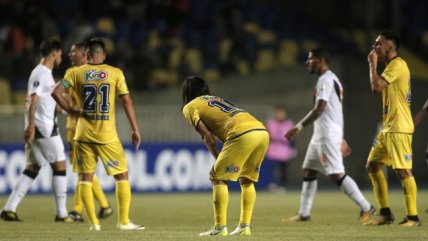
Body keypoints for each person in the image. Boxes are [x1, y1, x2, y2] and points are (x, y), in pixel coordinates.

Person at [51, 38, 143, 231]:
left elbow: (56, 92)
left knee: (85, 178)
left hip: (82, 133)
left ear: (87, 55)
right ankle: (124, 222)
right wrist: (135, 129)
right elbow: (127, 102)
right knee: (121, 176)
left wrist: (71, 111)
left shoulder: (76, 73)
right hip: (107, 136)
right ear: (104, 55)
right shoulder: (115, 73)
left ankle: (94, 224)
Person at [283, 47, 374, 223]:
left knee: (336, 174)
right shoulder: (331, 79)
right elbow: (336, 111)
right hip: (321, 134)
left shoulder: (325, 80)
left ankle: (367, 208)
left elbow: (320, 108)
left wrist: (298, 127)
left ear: (321, 60)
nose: (307, 62)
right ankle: (304, 213)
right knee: (309, 171)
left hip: (326, 135)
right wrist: (341, 136)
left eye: (310, 59)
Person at [181, 76, 269, 236]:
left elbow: (207, 137)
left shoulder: (190, 107)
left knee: (217, 177)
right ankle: (244, 227)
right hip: (261, 131)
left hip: (242, 133)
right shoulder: (215, 98)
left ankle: (220, 227)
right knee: (246, 180)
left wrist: (217, 159)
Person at [0, 38, 73, 222]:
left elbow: (45, 103)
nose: (61, 57)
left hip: (40, 125)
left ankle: (9, 209)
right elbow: (32, 100)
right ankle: (62, 214)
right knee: (60, 164)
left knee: (32, 167)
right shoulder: (41, 73)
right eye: (60, 53)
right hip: (43, 127)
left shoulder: (46, 75)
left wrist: (66, 110)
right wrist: (31, 125)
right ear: (53, 53)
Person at [365, 30, 420, 226]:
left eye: (378, 44)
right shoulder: (390, 66)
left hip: (398, 127)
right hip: (388, 128)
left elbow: (376, 86)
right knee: (372, 166)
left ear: (390, 47)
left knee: (403, 171)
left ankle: (413, 217)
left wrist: (372, 64)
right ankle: (386, 213)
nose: (375, 47)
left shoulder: (398, 65)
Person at [65, 42, 113, 222]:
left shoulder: (78, 73)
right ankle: (104, 205)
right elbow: (65, 95)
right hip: (74, 127)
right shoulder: (73, 72)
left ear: (84, 53)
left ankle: (78, 210)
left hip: (83, 127)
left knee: (83, 170)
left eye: (73, 50)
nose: (70, 54)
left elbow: (64, 96)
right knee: (83, 170)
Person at [266, 105, 296, 192]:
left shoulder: (289, 123)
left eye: (282, 113)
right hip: (273, 150)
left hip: (284, 150)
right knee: (273, 169)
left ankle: (282, 185)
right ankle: (273, 184)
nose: (280, 115)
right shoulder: (271, 123)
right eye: (278, 113)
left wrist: (293, 148)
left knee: (283, 170)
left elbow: (293, 137)